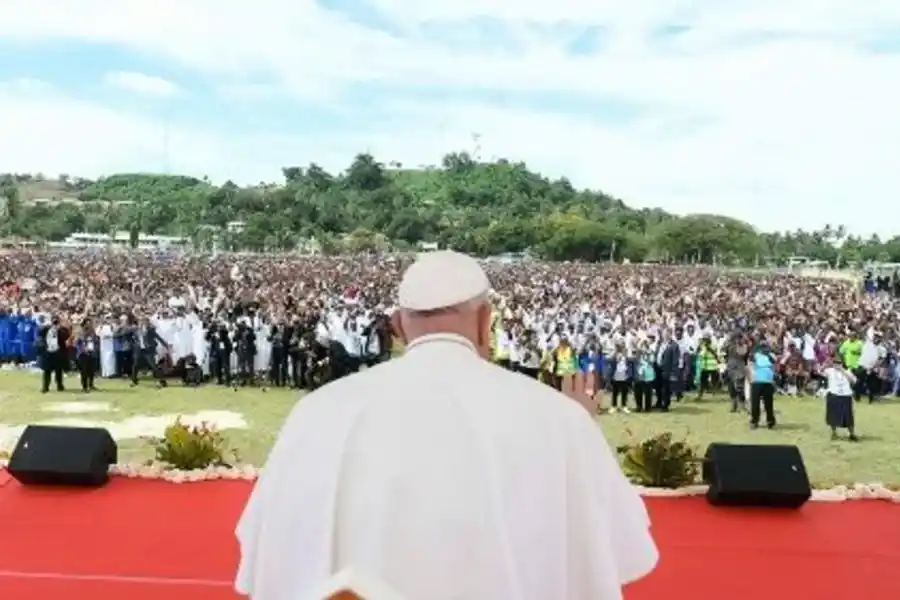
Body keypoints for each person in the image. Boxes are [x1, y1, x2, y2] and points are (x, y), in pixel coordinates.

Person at [234, 250, 658, 600]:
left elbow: (266, 552)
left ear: (398, 326)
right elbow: (620, 552)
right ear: (485, 320)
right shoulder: (558, 417)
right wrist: (574, 431)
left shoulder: (319, 410)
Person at [822, 357, 859, 441]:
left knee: (848, 416)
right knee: (832, 416)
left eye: (839, 363)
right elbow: (818, 371)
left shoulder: (847, 371)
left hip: (846, 395)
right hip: (833, 395)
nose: (837, 365)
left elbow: (854, 381)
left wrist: (842, 371)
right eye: (835, 363)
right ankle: (834, 433)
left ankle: (852, 434)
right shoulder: (830, 371)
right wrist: (825, 364)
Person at [747, 339, 777, 429]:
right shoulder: (755, 356)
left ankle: (770, 421)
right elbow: (750, 363)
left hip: (768, 382)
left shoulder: (771, 356)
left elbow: (774, 362)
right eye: (762, 347)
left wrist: (768, 354)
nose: (764, 349)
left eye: (765, 347)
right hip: (757, 382)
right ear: (759, 348)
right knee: (755, 403)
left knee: (769, 404)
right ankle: (754, 421)